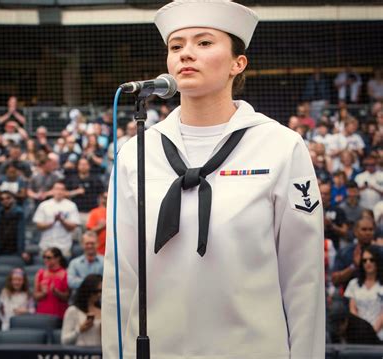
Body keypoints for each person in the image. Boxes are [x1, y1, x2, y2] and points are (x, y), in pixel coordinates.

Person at [102, 1, 325, 358]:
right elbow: (121, 278)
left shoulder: (281, 146)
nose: (186, 53)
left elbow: (304, 279)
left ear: (239, 63)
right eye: (176, 46)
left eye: (204, 43)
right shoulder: (136, 153)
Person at [344, 245, 383, 340]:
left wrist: (372, 332)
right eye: (364, 260)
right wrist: (362, 331)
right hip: (358, 334)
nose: (368, 263)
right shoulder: (353, 284)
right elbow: (352, 310)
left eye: (371, 260)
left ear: (377, 261)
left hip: (380, 334)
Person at [33, 181, 80, 258]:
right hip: (46, 245)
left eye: (62, 189)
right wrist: (53, 222)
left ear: (65, 192)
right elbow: (38, 225)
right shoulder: (44, 205)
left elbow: (73, 227)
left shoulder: (71, 205)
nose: (59, 191)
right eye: (57, 189)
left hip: (64, 246)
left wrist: (62, 221)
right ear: (52, 191)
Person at [332, 217, 376, 290]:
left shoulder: (380, 252)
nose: (368, 233)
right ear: (355, 232)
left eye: (371, 230)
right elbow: (335, 281)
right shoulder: (344, 252)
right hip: (349, 297)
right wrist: (353, 266)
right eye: (364, 229)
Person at [61, 274, 102, 346]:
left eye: (101, 291)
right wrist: (80, 330)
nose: (99, 294)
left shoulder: (103, 311)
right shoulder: (73, 311)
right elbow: (64, 340)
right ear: (88, 290)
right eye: (96, 291)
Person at [0, 191, 29, 263]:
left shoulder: (19, 213)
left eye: (8, 198)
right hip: (1, 249)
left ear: (13, 199)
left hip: (16, 249)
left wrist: (21, 251)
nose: (5, 201)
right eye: (2, 199)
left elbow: (20, 233)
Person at [34, 247, 69, 319]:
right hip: (42, 313)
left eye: (49, 257)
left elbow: (67, 297)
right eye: (44, 257)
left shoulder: (65, 274)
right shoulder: (40, 273)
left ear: (58, 258)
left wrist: (57, 292)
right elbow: (35, 296)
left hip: (59, 314)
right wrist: (43, 293)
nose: (45, 260)